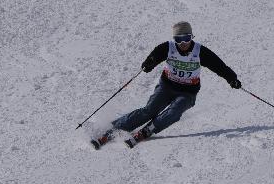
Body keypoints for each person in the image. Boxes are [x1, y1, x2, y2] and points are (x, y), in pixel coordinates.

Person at [93, 21, 242, 148]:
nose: (183, 43)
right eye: (179, 39)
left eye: (186, 38)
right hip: (166, 87)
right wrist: (148, 63)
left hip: (188, 92)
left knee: (175, 111)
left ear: (192, 37)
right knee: (149, 110)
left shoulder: (200, 51)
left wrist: (232, 78)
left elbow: (219, 66)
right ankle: (114, 129)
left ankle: (148, 130)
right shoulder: (168, 48)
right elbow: (154, 56)